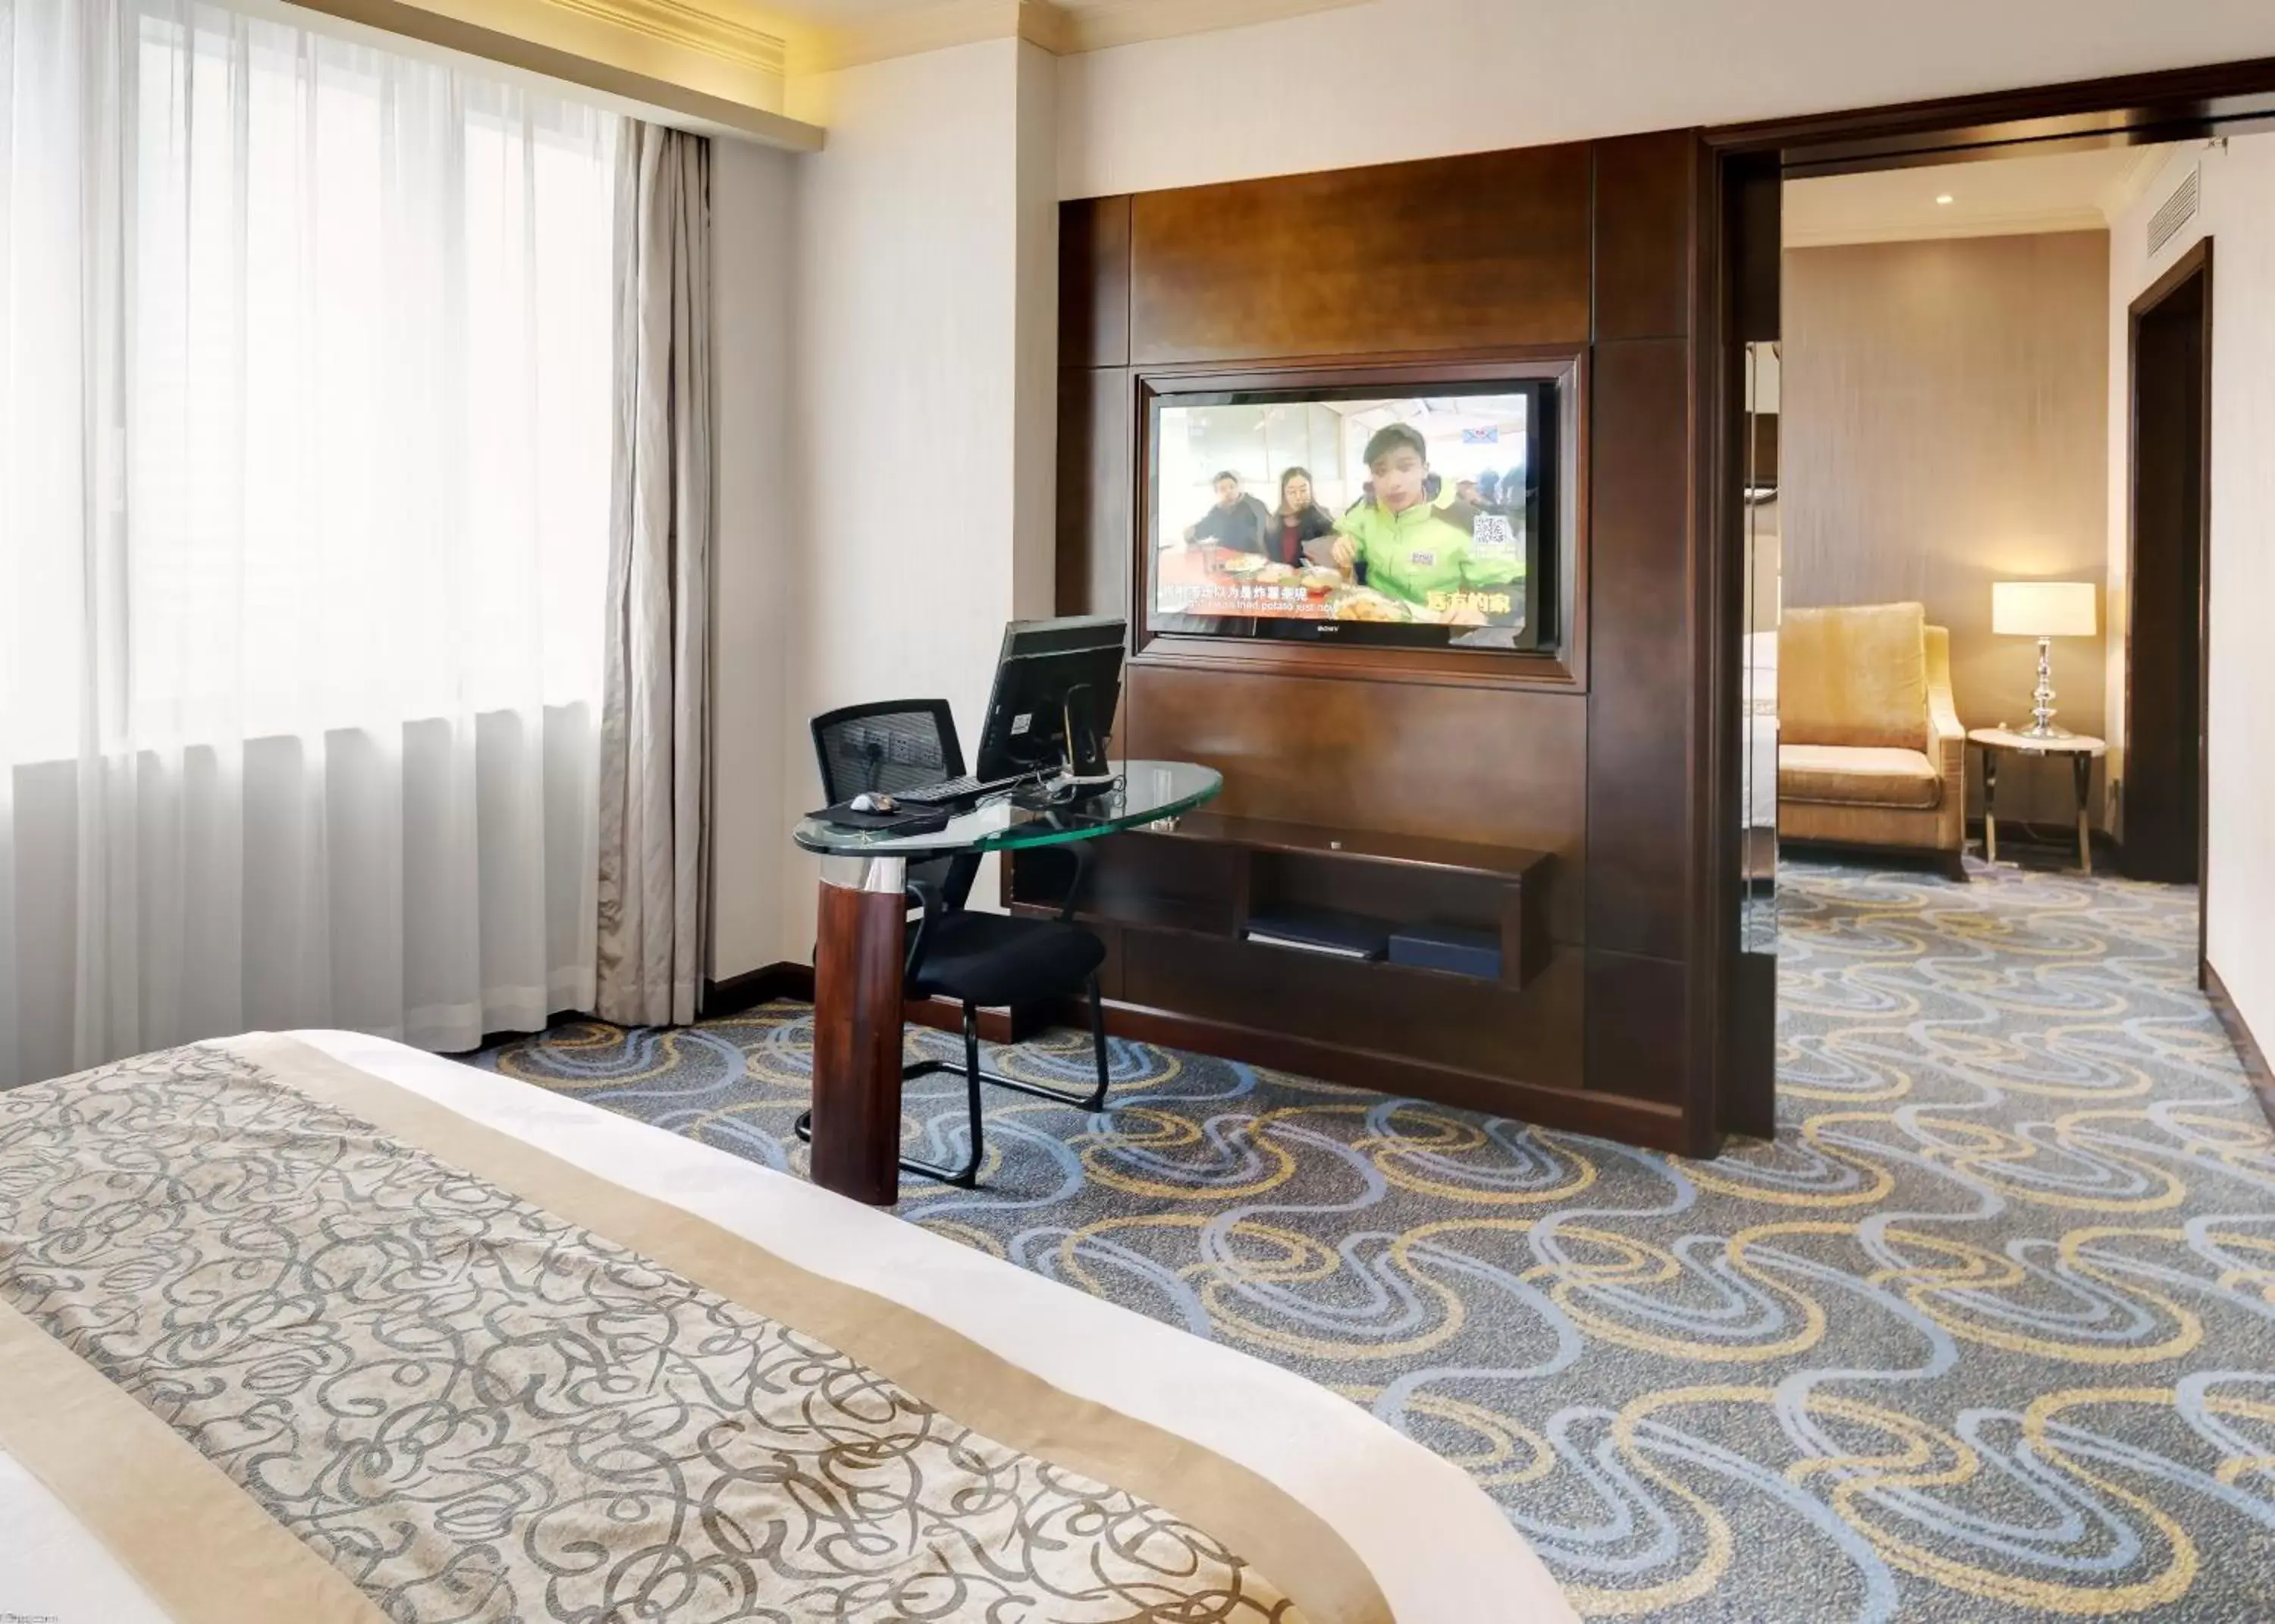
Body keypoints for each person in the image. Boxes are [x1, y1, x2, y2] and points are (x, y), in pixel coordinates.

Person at [1330, 424, 1521, 624]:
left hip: (1438, 629)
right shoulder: (1367, 506)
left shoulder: (1477, 520)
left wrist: (1482, 610)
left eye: (1405, 467)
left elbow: (1516, 585)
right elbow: (1348, 531)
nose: (1393, 482)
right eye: (1381, 471)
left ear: (1425, 469)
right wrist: (1344, 542)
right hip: (1372, 619)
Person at [1182, 471, 1272, 554]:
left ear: (1238, 487)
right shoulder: (1216, 512)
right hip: (1226, 561)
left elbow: (1269, 533)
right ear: (1216, 493)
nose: (1228, 491)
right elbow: (1201, 530)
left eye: (1232, 487)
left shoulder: (1255, 505)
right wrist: (1190, 533)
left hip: (1255, 560)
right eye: (1223, 489)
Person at [1266, 466, 1336, 566]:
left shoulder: (1322, 521)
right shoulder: (1274, 522)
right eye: (1292, 492)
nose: (1298, 497)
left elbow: (1329, 563)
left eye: (1303, 490)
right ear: (1284, 494)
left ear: (1311, 491)